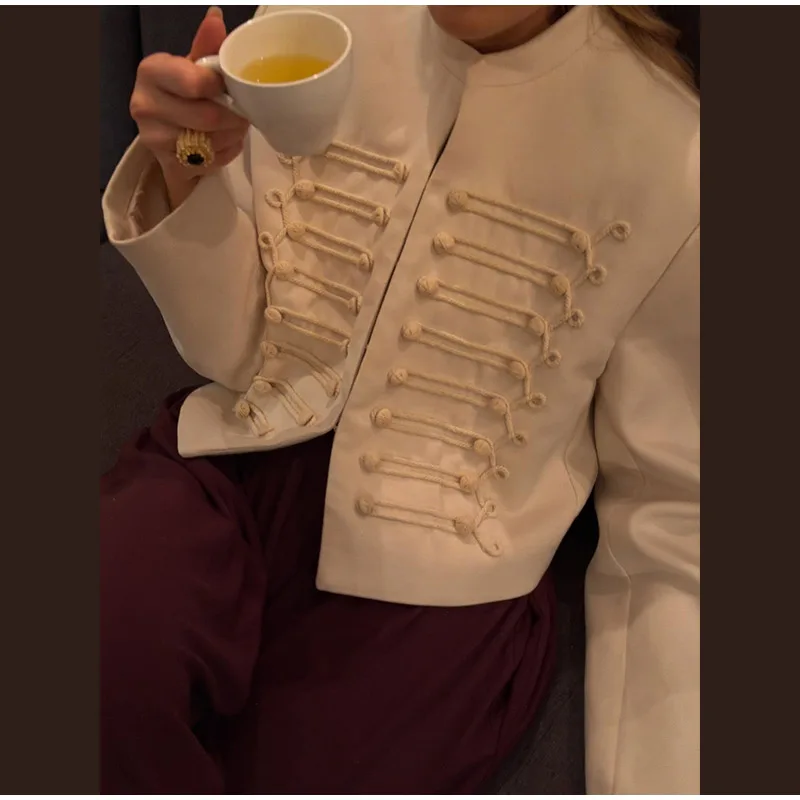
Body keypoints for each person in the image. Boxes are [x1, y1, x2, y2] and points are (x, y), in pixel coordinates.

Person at [101, 4, 700, 794]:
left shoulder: (674, 154)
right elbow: (231, 343)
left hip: (439, 572)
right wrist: (187, 163)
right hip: (233, 460)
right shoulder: (312, 27)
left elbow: (671, 512)